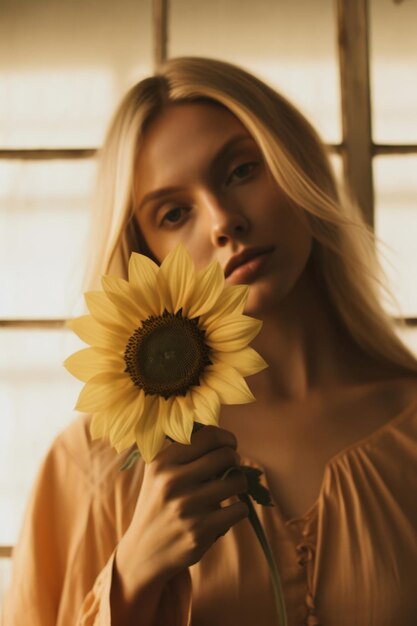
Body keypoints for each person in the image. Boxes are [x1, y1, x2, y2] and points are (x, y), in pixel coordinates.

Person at [4, 56, 417, 626]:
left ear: (299, 168)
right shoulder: (91, 468)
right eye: (175, 213)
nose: (224, 221)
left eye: (242, 171)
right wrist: (135, 570)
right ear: (146, 253)